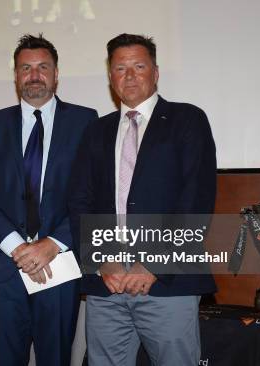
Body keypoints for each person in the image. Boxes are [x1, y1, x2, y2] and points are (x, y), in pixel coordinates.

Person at [69, 34, 217, 365]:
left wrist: (153, 263)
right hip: (107, 283)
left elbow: (196, 200)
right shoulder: (96, 131)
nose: (130, 75)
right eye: (120, 68)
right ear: (110, 76)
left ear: (156, 72)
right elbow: (79, 201)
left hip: (168, 282)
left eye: (139, 66)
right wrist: (101, 260)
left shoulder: (187, 120)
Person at [0, 34, 98, 365]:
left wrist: (51, 244)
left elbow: (92, 196)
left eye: (43, 67)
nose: (34, 75)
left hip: (59, 264)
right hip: (5, 268)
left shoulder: (85, 121)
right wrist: (19, 248)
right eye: (25, 68)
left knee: (55, 358)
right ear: (15, 76)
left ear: (56, 74)